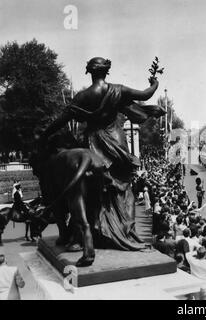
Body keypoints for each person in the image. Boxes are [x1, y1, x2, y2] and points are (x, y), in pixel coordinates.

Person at [38, 57, 165, 252]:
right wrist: (155, 83)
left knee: (93, 187)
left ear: (89, 72)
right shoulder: (118, 89)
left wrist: (45, 135)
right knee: (122, 188)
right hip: (117, 141)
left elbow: (62, 120)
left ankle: (90, 230)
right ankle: (123, 229)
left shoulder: (82, 96)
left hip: (93, 143)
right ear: (106, 72)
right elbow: (146, 94)